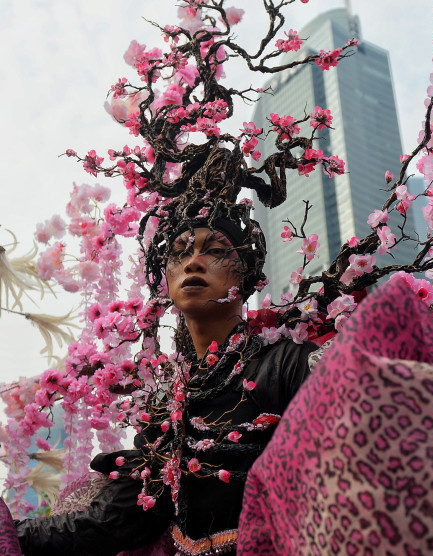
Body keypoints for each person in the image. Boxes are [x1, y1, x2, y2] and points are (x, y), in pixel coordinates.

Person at [16, 194, 318, 555]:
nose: (193, 262)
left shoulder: (289, 363)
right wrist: (15, 532)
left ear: (246, 273)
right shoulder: (167, 402)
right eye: (180, 254)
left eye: (214, 250)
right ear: (167, 278)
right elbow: (123, 518)